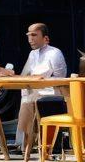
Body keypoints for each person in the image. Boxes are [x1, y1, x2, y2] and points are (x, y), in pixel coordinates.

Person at [14, 22, 68, 154]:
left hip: (51, 92)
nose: (30, 39)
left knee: (29, 100)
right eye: (28, 35)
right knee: (26, 96)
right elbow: (24, 75)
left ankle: (30, 144)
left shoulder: (54, 53)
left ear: (46, 38)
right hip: (35, 92)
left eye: (34, 35)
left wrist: (40, 79)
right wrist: (10, 73)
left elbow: (61, 79)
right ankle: (26, 143)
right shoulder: (32, 54)